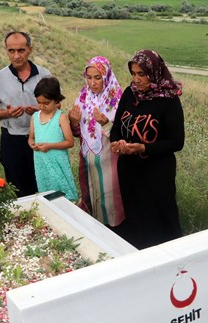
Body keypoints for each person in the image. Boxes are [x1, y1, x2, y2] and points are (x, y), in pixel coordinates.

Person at [110, 49, 185, 249]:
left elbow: (177, 142)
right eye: (133, 74)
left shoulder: (168, 100)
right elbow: (117, 127)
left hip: (156, 174)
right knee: (135, 217)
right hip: (129, 170)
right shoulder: (129, 94)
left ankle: (169, 260)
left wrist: (144, 147)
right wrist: (117, 143)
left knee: (159, 219)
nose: (136, 80)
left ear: (154, 73)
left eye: (141, 74)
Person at [0, 31, 51, 197]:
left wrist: (39, 109)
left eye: (21, 50)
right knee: (17, 190)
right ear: (6, 50)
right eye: (11, 51)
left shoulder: (44, 75)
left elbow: (57, 105)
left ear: (30, 49)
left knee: (42, 187)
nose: (16, 56)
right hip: (12, 140)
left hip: (41, 139)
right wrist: (7, 113)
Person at [69, 56, 125, 228]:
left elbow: (123, 133)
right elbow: (78, 133)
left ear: (106, 77)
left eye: (97, 77)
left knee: (110, 198)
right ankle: (94, 230)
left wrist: (105, 123)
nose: (92, 83)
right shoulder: (83, 98)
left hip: (109, 160)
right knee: (91, 195)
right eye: (89, 77)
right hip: (88, 159)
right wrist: (73, 122)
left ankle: (114, 232)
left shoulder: (117, 100)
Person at [29, 77, 78, 202]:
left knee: (62, 194)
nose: (42, 106)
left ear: (56, 101)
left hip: (57, 162)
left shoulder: (60, 118)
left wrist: (50, 146)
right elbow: (31, 138)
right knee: (46, 194)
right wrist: (32, 144)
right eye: (39, 102)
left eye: (46, 103)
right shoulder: (35, 117)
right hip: (41, 162)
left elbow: (70, 142)